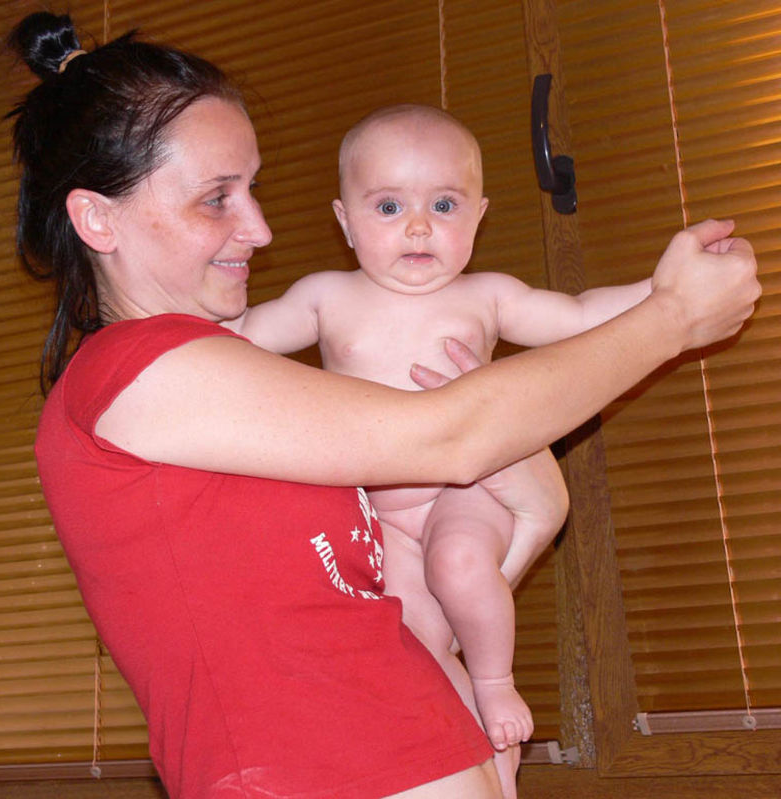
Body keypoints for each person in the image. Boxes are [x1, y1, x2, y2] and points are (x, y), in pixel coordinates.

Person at [7, 11, 759, 799]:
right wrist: (671, 318)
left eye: (253, 189)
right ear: (97, 218)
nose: (260, 228)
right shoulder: (133, 371)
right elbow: (453, 437)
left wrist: (529, 511)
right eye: (216, 198)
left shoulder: (228, 382)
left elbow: (419, 569)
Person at [236, 102, 654, 797]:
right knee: (415, 648)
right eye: (389, 206)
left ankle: (496, 683)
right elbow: (236, 342)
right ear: (345, 221)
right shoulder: (324, 297)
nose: (419, 226)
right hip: (378, 517)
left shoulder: (487, 296)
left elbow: (580, 316)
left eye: (444, 204)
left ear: (479, 217)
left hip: (467, 494)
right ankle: (490, 761)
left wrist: (663, 291)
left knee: (460, 564)